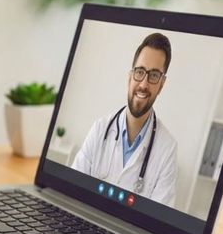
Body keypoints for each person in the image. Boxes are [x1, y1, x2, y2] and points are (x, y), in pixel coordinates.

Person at [70, 33, 178, 207]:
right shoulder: (100, 129)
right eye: (140, 72)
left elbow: (158, 222)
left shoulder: (167, 149)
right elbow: (71, 191)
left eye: (154, 75)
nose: (143, 84)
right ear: (130, 76)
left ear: (162, 85)